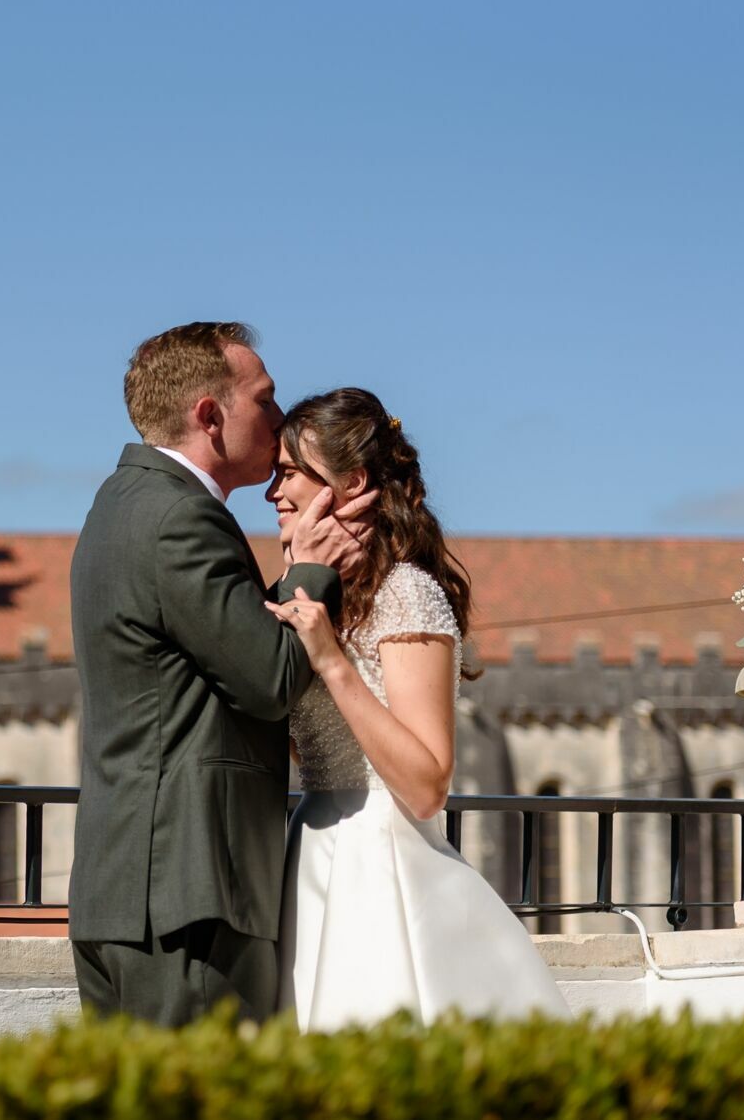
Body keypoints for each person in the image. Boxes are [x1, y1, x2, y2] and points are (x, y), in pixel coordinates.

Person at [68, 322, 372, 1025]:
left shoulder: (120, 505)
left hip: (125, 893)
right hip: (188, 898)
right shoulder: (181, 518)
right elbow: (268, 679)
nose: (278, 416)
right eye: (263, 399)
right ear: (211, 415)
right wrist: (314, 569)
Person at [266, 387, 568, 1028]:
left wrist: (330, 660)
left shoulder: (406, 594)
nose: (274, 492)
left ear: (350, 483)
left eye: (289, 472)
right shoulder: (326, 597)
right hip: (311, 856)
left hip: (382, 866)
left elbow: (428, 784)